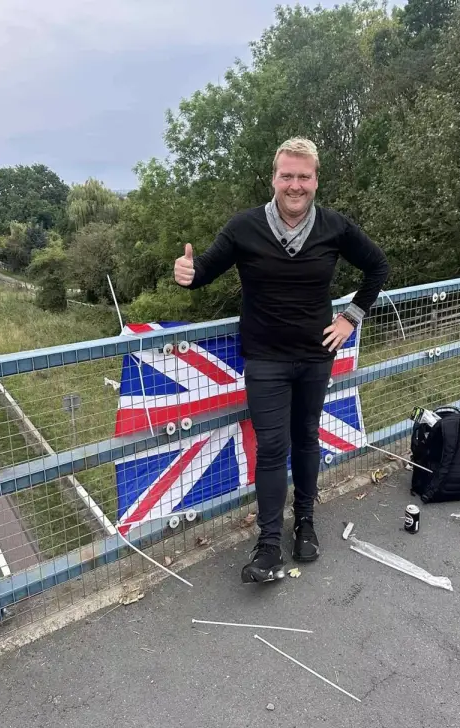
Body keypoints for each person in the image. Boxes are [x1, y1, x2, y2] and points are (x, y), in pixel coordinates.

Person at [173, 137, 390, 583]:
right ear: (274, 178)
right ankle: (269, 544)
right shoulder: (245, 227)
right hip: (265, 358)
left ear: (315, 180)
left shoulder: (334, 226)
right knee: (272, 448)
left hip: (315, 356)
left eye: (303, 177)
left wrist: (350, 318)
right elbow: (204, 272)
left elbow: (378, 267)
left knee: (306, 438)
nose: (295, 185)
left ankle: (305, 522)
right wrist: (188, 274)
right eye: (287, 175)